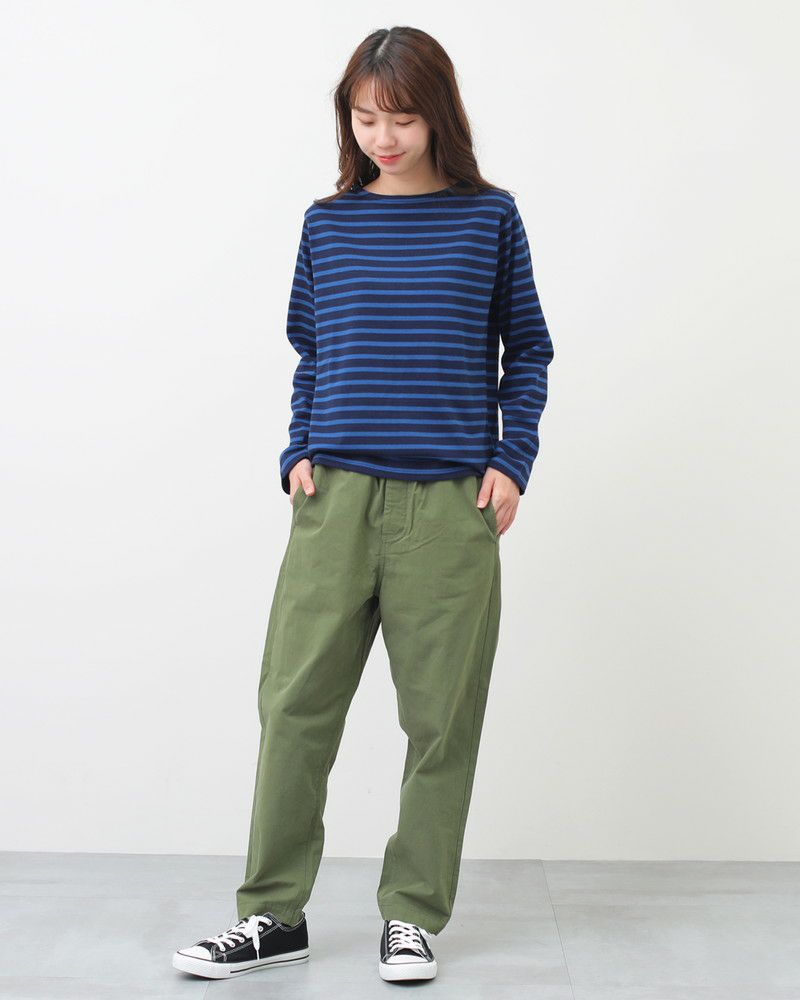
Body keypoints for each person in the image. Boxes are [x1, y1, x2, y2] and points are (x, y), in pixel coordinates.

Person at [172, 24, 554, 985]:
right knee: (293, 707)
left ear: (440, 115)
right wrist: (297, 451)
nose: (383, 137)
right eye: (365, 117)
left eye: (403, 118)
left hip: (451, 507)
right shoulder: (329, 223)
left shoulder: (490, 218)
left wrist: (512, 461)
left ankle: (412, 916)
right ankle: (272, 916)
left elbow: (528, 350)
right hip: (333, 499)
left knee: (440, 725)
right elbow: (313, 350)